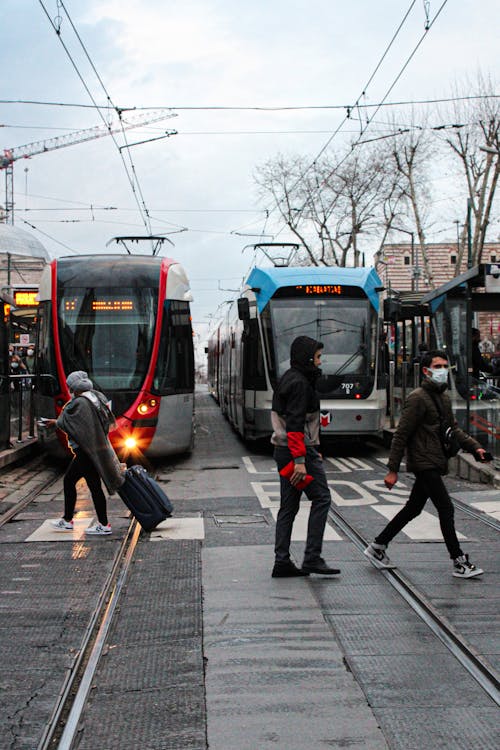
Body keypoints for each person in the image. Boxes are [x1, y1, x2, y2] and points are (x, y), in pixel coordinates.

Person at [364, 349, 491, 578]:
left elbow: (453, 430)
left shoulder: (442, 397)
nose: (443, 371)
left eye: (445, 366)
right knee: (446, 508)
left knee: (413, 508)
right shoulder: (417, 398)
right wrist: (392, 470)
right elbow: (401, 434)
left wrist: (475, 447)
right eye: (438, 366)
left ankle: (378, 546)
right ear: (426, 371)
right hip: (424, 463)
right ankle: (459, 561)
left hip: (434, 460)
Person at [270, 336, 340, 578]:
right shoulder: (300, 383)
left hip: (284, 450)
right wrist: (301, 460)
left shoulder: (289, 378)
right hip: (297, 451)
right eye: (318, 357)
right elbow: (296, 423)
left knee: (288, 507)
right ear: (307, 358)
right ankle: (312, 557)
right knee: (322, 498)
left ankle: (282, 561)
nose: (320, 363)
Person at [48, 370, 124, 535]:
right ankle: (68, 519)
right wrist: (57, 422)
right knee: (76, 482)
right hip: (92, 449)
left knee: (90, 485)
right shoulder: (95, 397)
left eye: (69, 386)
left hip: (86, 451)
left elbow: (71, 423)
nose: (68, 389)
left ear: (74, 387)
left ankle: (102, 524)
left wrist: (56, 422)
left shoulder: (81, 403)